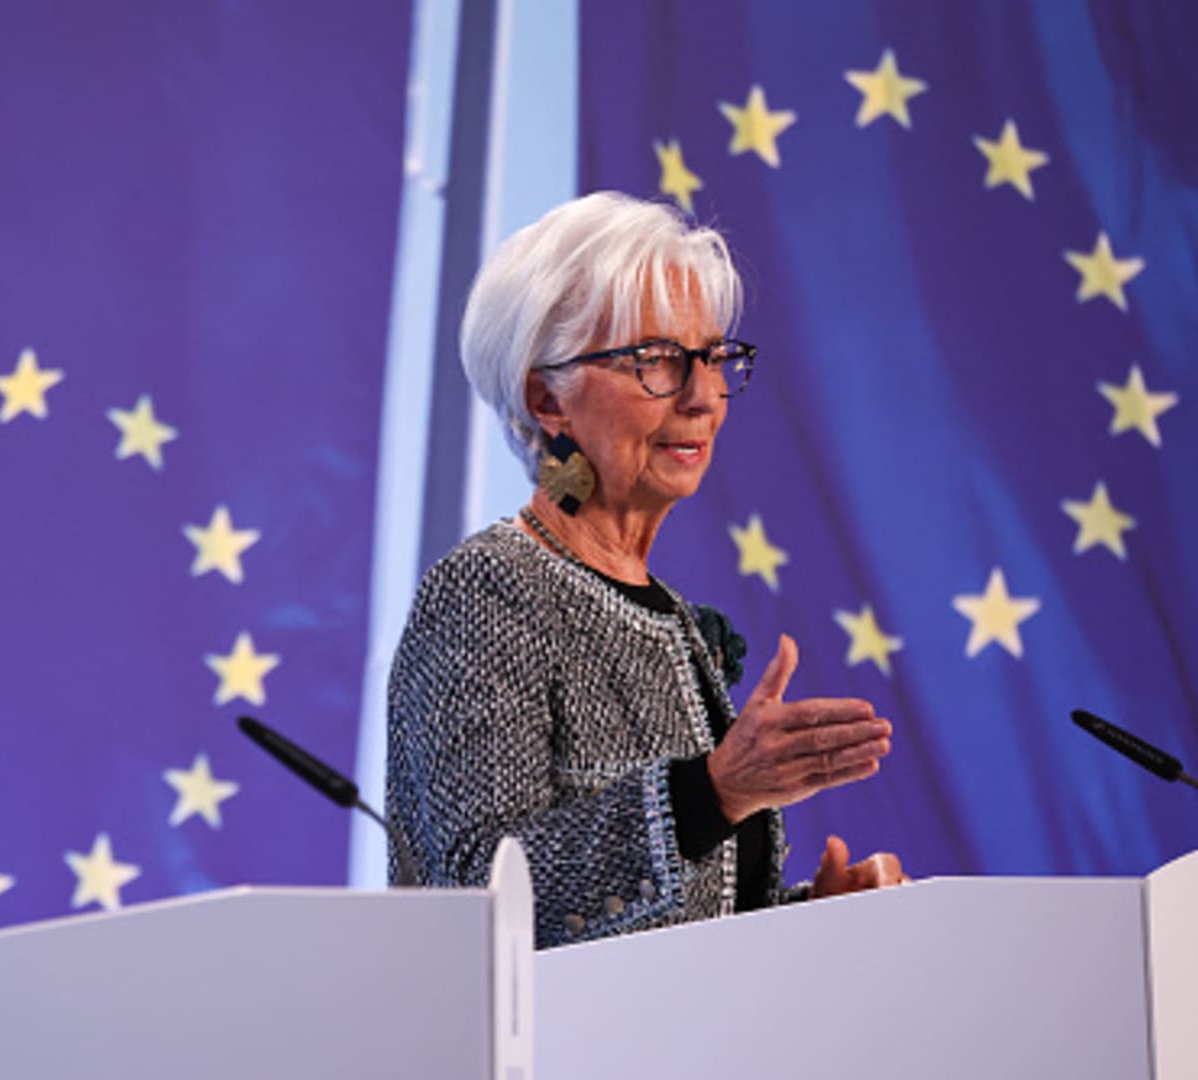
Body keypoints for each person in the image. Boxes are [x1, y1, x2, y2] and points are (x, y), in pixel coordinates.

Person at [387, 192, 905, 949]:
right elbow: (480, 889)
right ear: (546, 398)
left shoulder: (673, 622)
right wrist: (714, 791)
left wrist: (810, 920)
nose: (703, 397)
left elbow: (674, 933)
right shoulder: (490, 592)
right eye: (655, 360)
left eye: (713, 357)